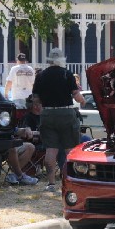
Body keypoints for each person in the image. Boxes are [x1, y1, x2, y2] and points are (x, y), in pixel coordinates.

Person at [33, 48, 86, 192]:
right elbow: (76, 95)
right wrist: (83, 101)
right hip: (66, 113)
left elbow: (36, 100)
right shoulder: (66, 73)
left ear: (49, 60)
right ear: (62, 59)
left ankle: (50, 184)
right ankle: (70, 181)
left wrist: (41, 108)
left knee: (51, 150)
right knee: (70, 150)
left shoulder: (41, 76)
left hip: (48, 114)